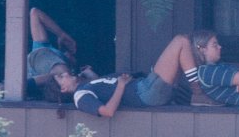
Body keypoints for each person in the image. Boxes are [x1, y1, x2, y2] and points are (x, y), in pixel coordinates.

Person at [51, 33, 221, 116]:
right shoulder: (80, 97)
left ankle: (209, 83)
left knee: (185, 50)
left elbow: (102, 88)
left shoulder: (86, 86)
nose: (64, 74)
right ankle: (199, 93)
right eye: (60, 78)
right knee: (181, 41)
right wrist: (121, 86)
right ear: (64, 89)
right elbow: (107, 111)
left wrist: (90, 74)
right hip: (145, 92)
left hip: (147, 89)